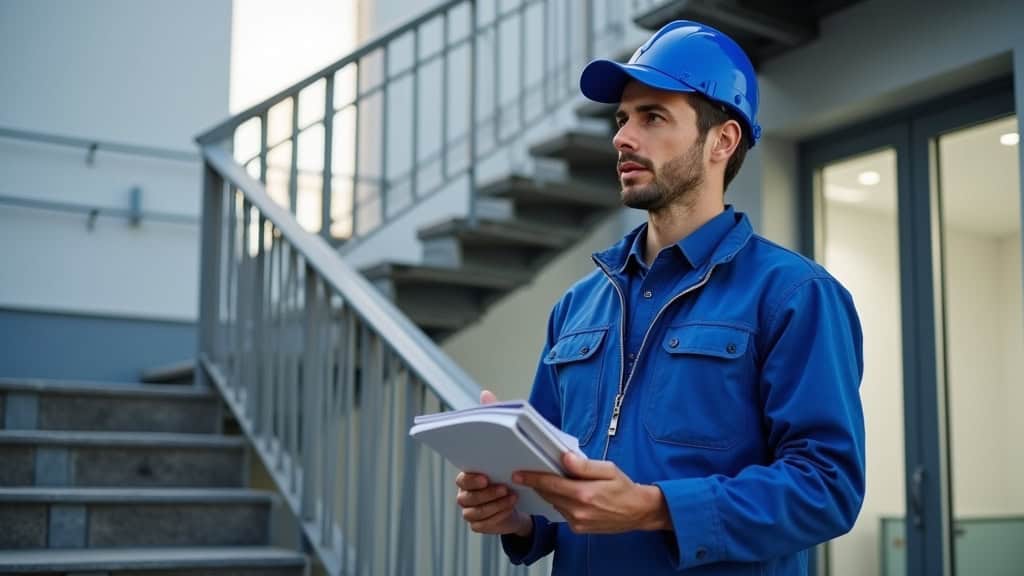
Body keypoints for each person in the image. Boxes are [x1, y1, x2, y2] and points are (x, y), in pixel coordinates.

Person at [455, 20, 865, 575]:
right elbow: (558, 486)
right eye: (622, 119)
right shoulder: (576, 308)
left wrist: (656, 509)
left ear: (722, 140)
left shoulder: (795, 295)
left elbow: (828, 487)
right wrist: (516, 514)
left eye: (653, 117)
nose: (623, 137)